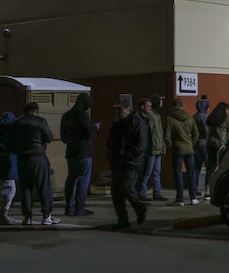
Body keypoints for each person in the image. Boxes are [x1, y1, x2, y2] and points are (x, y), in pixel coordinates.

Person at [10, 102, 59, 226]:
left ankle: (27, 217)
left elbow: (12, 142)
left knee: (26, 188)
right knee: (44, 187)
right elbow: (48, 137)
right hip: (38, 158)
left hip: (23, 159)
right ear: (36, 110)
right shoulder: (41, 121)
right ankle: (46, 216)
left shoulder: (16, 123)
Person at [106, 99, 149, 230]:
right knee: (116, 191)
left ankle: (139, 207)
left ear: (127, 109)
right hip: (118, 161)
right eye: (116, 109)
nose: (117, 112)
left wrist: (130, 155)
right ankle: (123, 219)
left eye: (120, 109)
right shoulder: (118, 124)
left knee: (127, 187)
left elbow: (142, 144)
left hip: (132, 162)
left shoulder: (137, 122)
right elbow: (111, 141)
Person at [60, 92, 99, 216]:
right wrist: (95, 127)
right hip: (83, 152)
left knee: (71, 179)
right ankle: (80, 208)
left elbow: (63, 136)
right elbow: (87, 132)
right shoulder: (83, 115)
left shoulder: (66, 115)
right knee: (83, 180)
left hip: (71, 151)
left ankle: (69, 207)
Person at [164, 98, 200, 206]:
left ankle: (180, 199)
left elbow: (166, 136)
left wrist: (171, 146)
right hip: (189, 149)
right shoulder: (190, 118)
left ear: (172, 107)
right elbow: (196, 133)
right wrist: (191, 143)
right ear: (182, 106)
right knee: (191, 174)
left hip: (177, 149)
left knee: (178, 174)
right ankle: (193, 198)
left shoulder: (169, 119)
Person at [0, 111, 18, 225]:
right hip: (7, 165)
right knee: (9, 189)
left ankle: (3, 214)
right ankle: (2, 215)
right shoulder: (9, 132)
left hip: (0, 165)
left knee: (6, 189)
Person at [139, 96, 167, 201]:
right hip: (152, 148)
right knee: (147, 172)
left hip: (157, 148)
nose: (162, 102)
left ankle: (157, 193)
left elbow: (160, 132)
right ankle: (142, 193)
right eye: (160, 101)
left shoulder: (156, 115)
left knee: (156, 172)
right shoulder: (151, 115)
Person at [204, 102, 229, 200]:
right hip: (220, 146)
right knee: (221, 168)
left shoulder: (212, 118)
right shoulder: (227, 119)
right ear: (225, 110)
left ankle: (207, 192)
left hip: (210, 145)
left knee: (210, 168)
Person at [193, 95, 210, 188]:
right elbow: (206, 131)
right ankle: (207, 191)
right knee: (208, 167)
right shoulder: (204, 118)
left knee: (196, 168)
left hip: (195, 144)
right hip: (204, 143)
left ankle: (194, 189)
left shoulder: (194, 116)